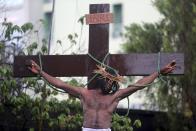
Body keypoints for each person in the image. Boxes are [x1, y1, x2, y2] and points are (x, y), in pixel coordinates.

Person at [28, 60, 176, 131]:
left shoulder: (115, 97)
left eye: (113, 83)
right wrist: (41, 72)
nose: (110, 85)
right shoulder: (84, 93)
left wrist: (158, 73)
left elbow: (138, 85)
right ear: (102, 79)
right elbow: (60, 84)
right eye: (108, 81)